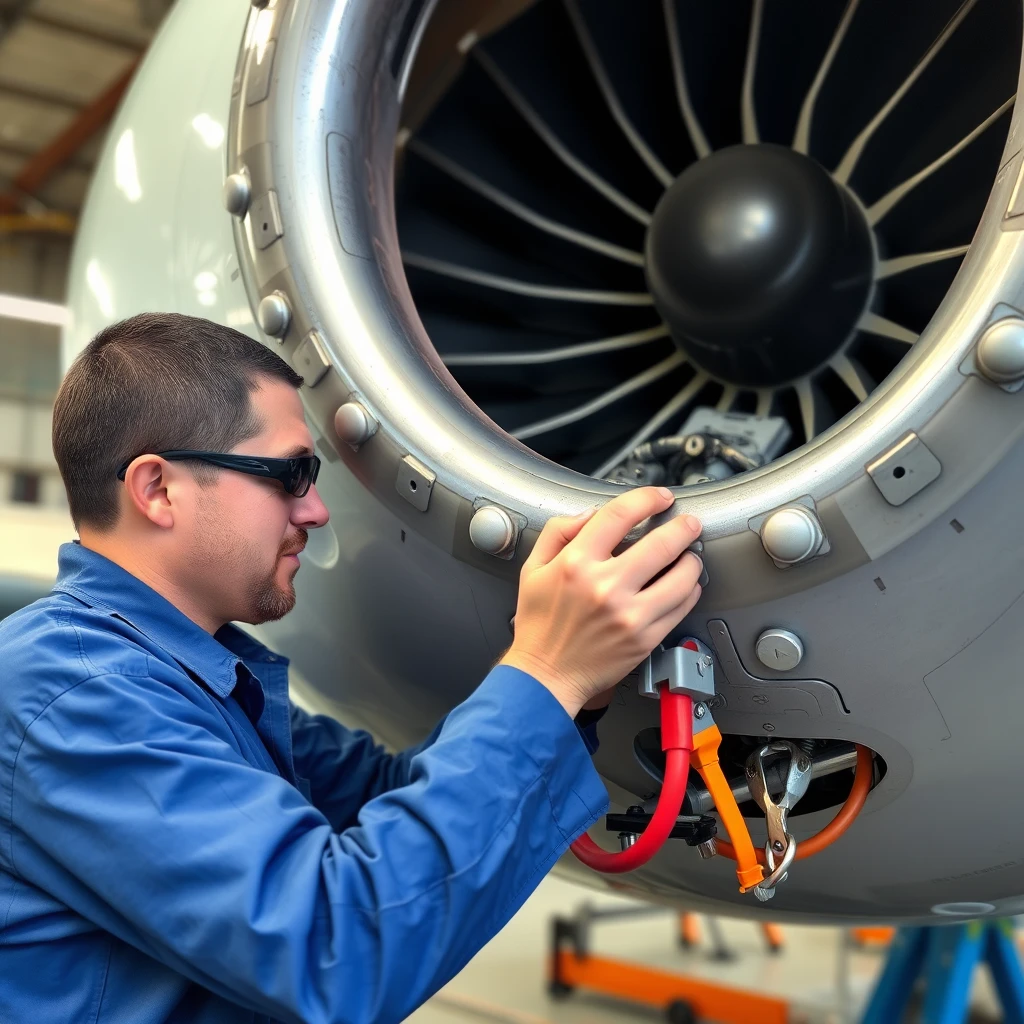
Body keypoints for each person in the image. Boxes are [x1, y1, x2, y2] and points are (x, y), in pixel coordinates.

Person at [0, 313, 704, 1024]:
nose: (317, 510)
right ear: (157, 489)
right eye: (292, 473)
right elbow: (331, 950)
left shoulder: (186, 679)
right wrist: (547, 671)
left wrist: (570, 698)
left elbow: (387, 796)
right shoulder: (72, 693)